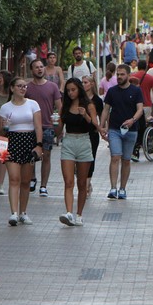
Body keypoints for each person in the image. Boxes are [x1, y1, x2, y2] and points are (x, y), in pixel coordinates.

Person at [55, 78, 100, 227]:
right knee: (68, 181)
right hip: (68, 141)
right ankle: (69, 213)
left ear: (79, 89)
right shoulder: (65, 106)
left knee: (82, 182)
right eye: (68, 90)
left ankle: (79, 214)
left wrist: (85, 115)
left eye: (73, 89)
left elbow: (95, 126)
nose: (70, 93)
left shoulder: (89, 105)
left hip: (84, 141)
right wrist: (55, 123)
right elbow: (59, 130)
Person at [0, 77, 43, 226]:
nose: (23, 89)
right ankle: (14, 213)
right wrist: (4, 126)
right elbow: (0, 132)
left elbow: (38, 126)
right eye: (19, 86)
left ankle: (23, 212)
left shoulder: (33, 104)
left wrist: (39, 145)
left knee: (25, 181)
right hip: (12, 142)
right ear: (12, 88)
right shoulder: (5, 108)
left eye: (24, 86)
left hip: (29, 141)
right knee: (14, 178)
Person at [100, 64, 144, 200]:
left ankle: (122, 188)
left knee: (126, 160)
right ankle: (113, 188)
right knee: (115, 157)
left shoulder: (136, 91)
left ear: (129, 76)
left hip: (131, 131)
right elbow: (106, 109)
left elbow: (140, 109)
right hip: (114, 129)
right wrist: (102, 126)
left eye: (122, 74)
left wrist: (132, 120)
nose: (119, 77)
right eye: (117, 74)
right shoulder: (112, 91)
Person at [26, 60, 62, 197]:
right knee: (31, 154)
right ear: (32, 70)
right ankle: (32, 178)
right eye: (36, 67)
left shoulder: (53, 87)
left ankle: (43, 186)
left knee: (46, 155)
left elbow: (60, 107)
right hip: (30, 127)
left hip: (47, 126)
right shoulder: (27, 88)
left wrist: (59, 126)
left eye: (41, 67)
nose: (39, 69)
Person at [131, 60, 153, 162]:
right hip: (147, 105)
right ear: (146, 67)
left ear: (138, 67)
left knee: (137, 127)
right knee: (147, 125)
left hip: (135, 106)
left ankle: (136, 147)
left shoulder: (132, 77)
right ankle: (148, 144)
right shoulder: (150, 78)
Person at [82, 75, 103, 199]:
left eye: (85, 82)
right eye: (82, 82)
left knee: (91, 158)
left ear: (92, 84)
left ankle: (87, 183)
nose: (83, 84)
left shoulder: (97, 100)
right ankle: (83, 181)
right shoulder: (79, 99)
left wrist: (102, 128)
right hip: (80, 133)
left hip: (92, 133)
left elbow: (101, 116)